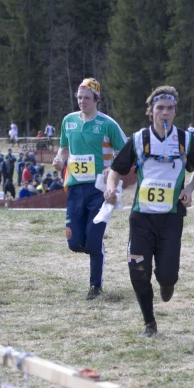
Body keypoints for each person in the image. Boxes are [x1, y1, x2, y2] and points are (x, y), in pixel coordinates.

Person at [105, 85, 194, 337]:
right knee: (138, 271)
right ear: (151, 112)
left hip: (171, 218)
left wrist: (190, 189)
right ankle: (149, 323)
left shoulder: (186, 139)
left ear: (175, 112)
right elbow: (116, 170)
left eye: (170, 109)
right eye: (160, 108)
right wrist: (111, 187)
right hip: (142, 218)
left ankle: (167, 284)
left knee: (167, 275)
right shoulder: (138, 139)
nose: (165, 113)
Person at [53, 78, 127, 300]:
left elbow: (126, 152)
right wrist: (59, 159)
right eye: (79, 97)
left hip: (99, 190)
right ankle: (96, 248)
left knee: (94, 240)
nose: (82, 101)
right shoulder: (68, 121)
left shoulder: (107, 124)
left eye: (86, 97)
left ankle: (95, 287)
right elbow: (64, 149)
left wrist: (111, 170)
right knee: (74, 242)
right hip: (75, 189)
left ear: (96, 99)